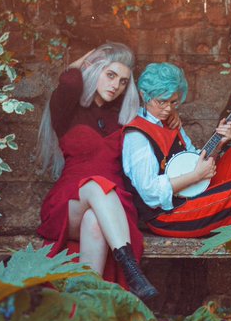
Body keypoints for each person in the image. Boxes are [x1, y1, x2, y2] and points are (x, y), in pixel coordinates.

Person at [35, 42, 158, 301]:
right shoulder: (68, 110)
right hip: (70, 203)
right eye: (110, 75)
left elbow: (161, 122)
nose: (116, 85)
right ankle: (132, 271)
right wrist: (86, 59)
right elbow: (70, 82)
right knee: (95, 184)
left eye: (123, 81)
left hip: (114, 207)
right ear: (94, 69)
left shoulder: (125, 117)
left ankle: (87, 304)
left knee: (94, 222)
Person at [121, 62, 231, 238]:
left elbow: (194, 161)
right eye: (162, 102)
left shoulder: (169, 122)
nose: (168, 109)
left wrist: (219, 143)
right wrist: (196, 176)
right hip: (170, 215)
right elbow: (150, 192)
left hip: (193, 192)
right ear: (144, 95)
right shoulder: (137, 136)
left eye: (173, 102)